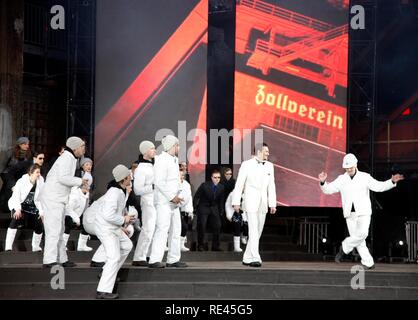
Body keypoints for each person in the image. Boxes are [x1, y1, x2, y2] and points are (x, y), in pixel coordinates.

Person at [318, 153, 404, 269]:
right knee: (359, 241)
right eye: (347, 168)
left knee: (363, 234)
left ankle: (344, 248)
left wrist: (391, 182)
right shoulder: (341, 179)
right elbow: (328, 190)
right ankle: (369, 262)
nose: (349, 169)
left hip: (363, 212)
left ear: (356, 165)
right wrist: (323, 182)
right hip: (349, 214)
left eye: (351, 167)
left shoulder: (365, 177)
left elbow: (379, 186)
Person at [39, 137, 87, 268]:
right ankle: (49, 260)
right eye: (82, 146)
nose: (84, 148)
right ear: (75, 148)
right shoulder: (66, 158)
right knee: (54, 230)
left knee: (59, 229)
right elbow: (63, 178)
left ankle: (62, 258)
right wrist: (80, 181)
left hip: (57, 198)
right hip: (53, 198)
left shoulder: (70, 158)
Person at [94, 165, 135, 299]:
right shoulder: (114, 193)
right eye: (129, 176)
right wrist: (124, 219)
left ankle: (107, 272)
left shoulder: (119, 191)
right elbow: (108, 215)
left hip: (112, 227)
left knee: (127, 246)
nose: (131, 177)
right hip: (106, 229)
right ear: (123, 179)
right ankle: (103, 290)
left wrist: (124, 221)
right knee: (114, 257)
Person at [232, 143, 277, 267]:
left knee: (258, 231)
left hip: (263, 203)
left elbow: (271, 186)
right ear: (258, 151)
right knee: (253, 229)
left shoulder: (269, 166)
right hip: (250, 201)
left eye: (268, 151)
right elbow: (239, 184)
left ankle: (247, 258)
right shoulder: (247, 164)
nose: (268, 153)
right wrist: (236, 202)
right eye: (266, 151)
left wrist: (272, 203)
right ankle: (255, 257)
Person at [147, 135, 187, 268]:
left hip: (173, 202)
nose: (179, 148)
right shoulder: (161, 160)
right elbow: (159, 182)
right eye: (177, 145)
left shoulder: (174, 160)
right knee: (162, 229)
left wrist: (178, 195)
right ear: (171, 146)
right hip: (164, 202)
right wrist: (171, 197)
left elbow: (174, 181)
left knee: (176, 230)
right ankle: (154, 259)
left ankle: (173, 259)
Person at [4, 164, 44, 252]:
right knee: (15, 218)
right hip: (19, 204)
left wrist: (41, 212)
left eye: (39, 172)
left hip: (33, 206)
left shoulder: (41, 181)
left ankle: (36, 247)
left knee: (39, 223)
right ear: (31, 173)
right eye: (37, 172)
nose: (39, 174)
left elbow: (41, 198)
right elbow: (16, 196)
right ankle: (8, 247)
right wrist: (17, 209)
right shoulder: (21, 181)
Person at [132, 141, 157, 267]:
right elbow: (137, 190)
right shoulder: (141, 168)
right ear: (145, 151)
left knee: (154, 229)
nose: (155, 150)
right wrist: (153, 187)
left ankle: (147, 255)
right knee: (148, 229)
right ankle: (139, 256)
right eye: (152, 148)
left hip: (155, 201)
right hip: (147, 201)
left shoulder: (153, 164)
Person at [193, 170, 225, 251]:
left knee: (218, 225)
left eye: (218, 177)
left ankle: (215, 246)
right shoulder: (204, 185)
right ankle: (200, 245)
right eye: (215, 177)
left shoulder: (221, 187)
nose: (217, 179)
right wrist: (194, 208)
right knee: (202, 226)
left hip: (214, 208)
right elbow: (196, 196)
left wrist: (221, 210)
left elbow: (221, 200)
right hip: (203, 207)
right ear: (211, 178)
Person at [0, 137, 32, 212]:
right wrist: (2, 173)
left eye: (28, 144)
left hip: (18, 174)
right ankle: (6, 208)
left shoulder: (28, 153)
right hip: (7, 173)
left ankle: (10, 207)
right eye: (25, 144)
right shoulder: (10, 152)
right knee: (11, 187)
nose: (27, 146)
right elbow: (3, 163)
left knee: (10, 189)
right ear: (19, 144)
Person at [179, 169, 194, 252]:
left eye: (182, 175)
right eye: (179, 175)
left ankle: (181, 245)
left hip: (184, 209)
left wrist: (190, 211)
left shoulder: (186, 184)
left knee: (184, 227)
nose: (181, 177)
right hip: (174, 208)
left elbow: (189, 198)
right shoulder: (172, 184)